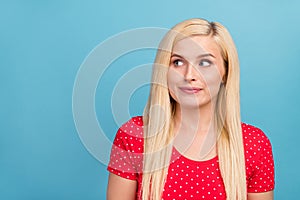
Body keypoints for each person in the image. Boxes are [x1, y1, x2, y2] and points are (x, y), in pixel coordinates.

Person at [106, 18, 275, 200]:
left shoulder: (254, 144)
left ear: (225, 72)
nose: (189, 75)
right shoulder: (134, 135)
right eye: (178, 62)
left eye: (204, 63)